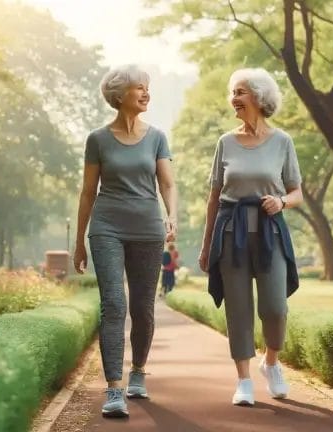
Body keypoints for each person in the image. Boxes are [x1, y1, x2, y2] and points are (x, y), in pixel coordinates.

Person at [73, 64, 177, 419]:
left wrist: (171, 215)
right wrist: (78, 242)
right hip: (106, 226)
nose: (146, 93)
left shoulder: (157, 137)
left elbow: (167, 183)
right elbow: (88, 193)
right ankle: (114, 389)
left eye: (147, 88)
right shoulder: (97, 140)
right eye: (139, 88)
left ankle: (138, 372)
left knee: (143, 309)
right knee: (114, 304)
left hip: (148, 228)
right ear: (120, 95)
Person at [198, 68, 304, 406]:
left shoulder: (282, 142)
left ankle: (270, 363)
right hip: (231, 231)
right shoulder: (225, 143)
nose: (234, 99)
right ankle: (243, 380)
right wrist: (205, 246)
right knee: (239, 308)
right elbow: (214, 196)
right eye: (233, 93)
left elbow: (298, 191)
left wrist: (282, 201)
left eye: (240, 92)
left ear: (258, 97)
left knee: (275, 307)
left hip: (270, 231)